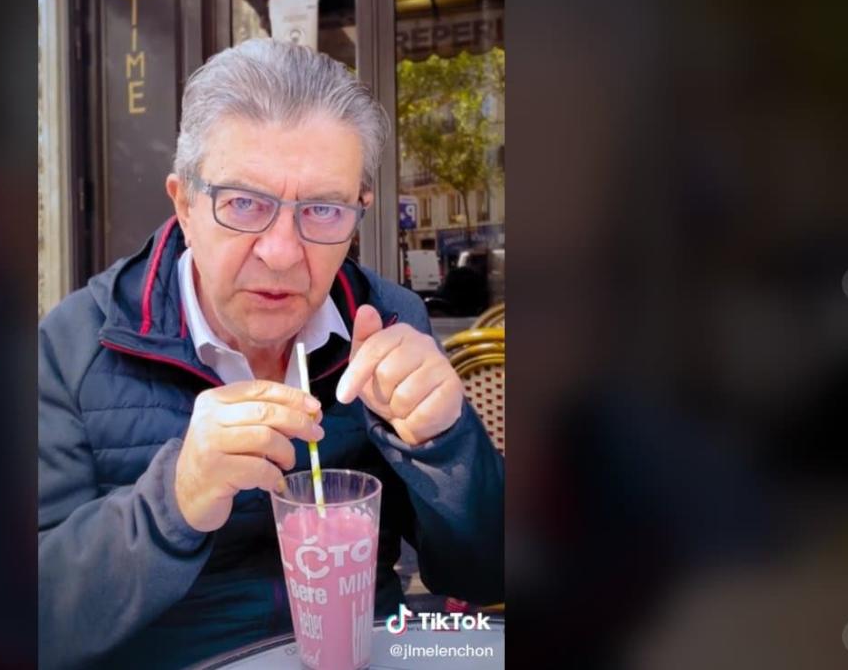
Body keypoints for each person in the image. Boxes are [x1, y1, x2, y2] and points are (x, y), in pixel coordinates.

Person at [38, 40, 503, 668]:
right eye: (244, 204)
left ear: (357, 213)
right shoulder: (73, 345)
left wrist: (447, 447)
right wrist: (173, 503)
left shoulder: (389, 322)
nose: (282, 252)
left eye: (323, 209)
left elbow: (488, 574)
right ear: (184, 203)